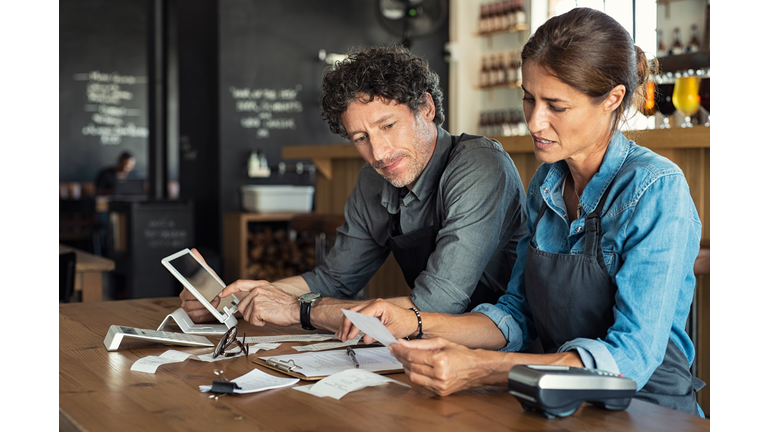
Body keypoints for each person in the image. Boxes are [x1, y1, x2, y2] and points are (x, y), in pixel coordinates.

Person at [339, 8, 705, 417]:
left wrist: (484, 369)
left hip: (646, 412)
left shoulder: (656, 189)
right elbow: (517, 314)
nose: (534, 121)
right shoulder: (547, 184)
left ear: (612, 100)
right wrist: (411, 320)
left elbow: (630, 359)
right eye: (529, 98)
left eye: (556, 105)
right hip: (556, 403)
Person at [180, 45, 527, 332]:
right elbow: (334, 279)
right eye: (361, 138)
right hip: (432, 350)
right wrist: (236, 298)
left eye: (388, 125)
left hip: (506, 349)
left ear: (426, 108)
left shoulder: (479, 166)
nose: (379, 153)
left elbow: (435, 305)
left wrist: (299, 310)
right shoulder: (373, 180)